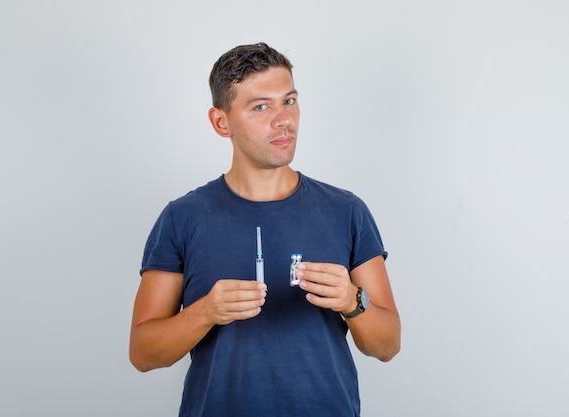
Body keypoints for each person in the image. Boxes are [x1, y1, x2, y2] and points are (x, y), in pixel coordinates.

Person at [129, 42, 401, 417]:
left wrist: (352, 301)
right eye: (261, 107)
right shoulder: (182, 218)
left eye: (289, 101)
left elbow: (387, 346)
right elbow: (143, 354)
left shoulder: (346, 211)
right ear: (221, 122)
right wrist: (205, 312)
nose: (283, 120)